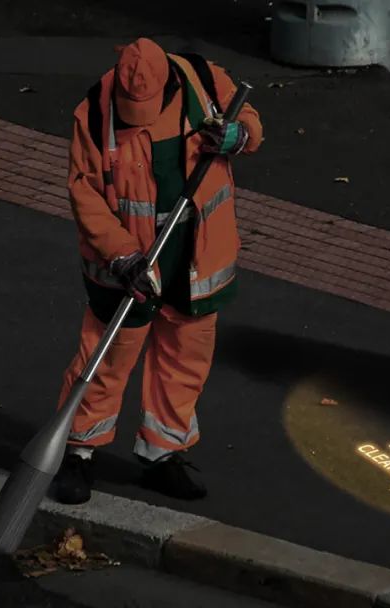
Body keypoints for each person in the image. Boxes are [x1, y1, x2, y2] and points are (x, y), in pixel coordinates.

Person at [52, 37, 264, 504]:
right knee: (105, 359)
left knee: (184, 357)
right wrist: (122, 254)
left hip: (196, 253)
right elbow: (84, 193)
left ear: (168, 85)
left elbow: (248, 121)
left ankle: (163, 451)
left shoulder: (204, 80)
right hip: (128, 262)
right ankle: (78, 451)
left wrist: (240, 136)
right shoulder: (93, 114)